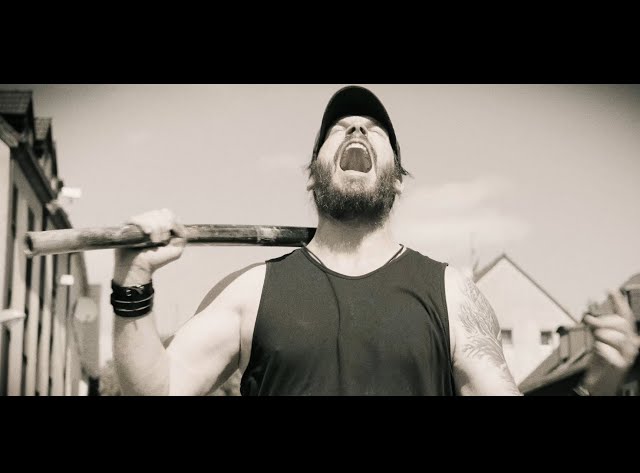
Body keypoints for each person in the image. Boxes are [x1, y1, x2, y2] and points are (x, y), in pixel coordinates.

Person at [111, 85, 638, 396]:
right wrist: (132, 284)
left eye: (374, 129)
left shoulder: (452, 294)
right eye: (339, 129)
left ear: (399, 181)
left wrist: (598, 386)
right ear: (312, 177)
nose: (357, 130)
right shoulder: (250, 292)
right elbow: (158, 390)